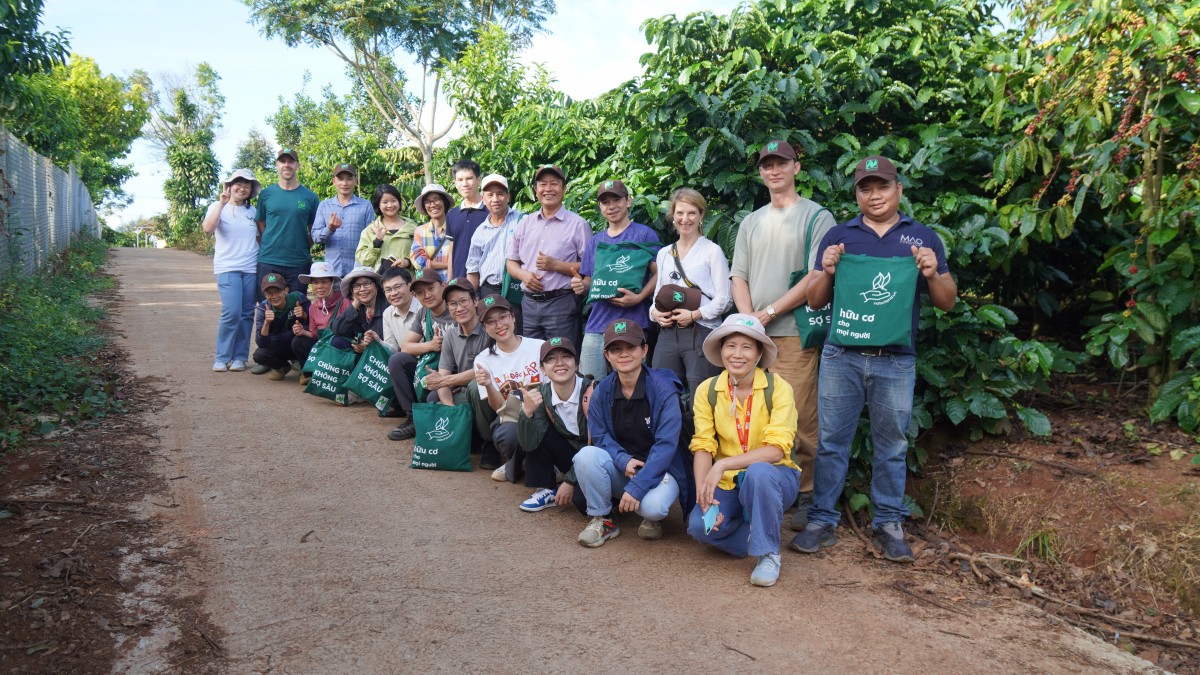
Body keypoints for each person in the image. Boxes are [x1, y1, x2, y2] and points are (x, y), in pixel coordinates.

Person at [790, 155, 957, 563]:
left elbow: (947, 303)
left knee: (893, 445)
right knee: (831, 442)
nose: (874, 194)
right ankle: (822, 521)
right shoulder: (840, 237)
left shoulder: (922, 238)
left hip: (896, 361)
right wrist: (825, 271)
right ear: (857, 194)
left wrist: (934, 273)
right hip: (841, 356)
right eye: (866, 188)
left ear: (898, 190)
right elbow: (814, 300)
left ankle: (888, 524)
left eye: (882, 186)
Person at [729, 139, 838, 529]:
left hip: (793, 332)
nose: (774, 170)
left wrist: (770, 312)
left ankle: (806, 494)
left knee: (800, 415)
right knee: (752, 413)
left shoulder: (816, 216)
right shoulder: (750, 221)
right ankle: (762, 488)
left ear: (796, 167)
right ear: (760, 172)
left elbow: (817, 274)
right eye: (767, 164)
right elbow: (737, 275)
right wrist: (748, 323)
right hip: (754, 337)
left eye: (781, 163)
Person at [686, 314, 802, 587]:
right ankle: (753, 531)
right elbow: (703, 445)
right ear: (721, 350)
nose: (737, 354)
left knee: (758, 473)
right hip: (728, 484)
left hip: (774, 477)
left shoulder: (778, 388)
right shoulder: (708, 390)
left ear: (759, 353)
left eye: (747, 347)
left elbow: (775, 451)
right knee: (700, 528)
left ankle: (768, 554)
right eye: (731, 346)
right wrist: (705, 494)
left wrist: (722, 464)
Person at [572, 320, 689, 547]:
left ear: (644, 350)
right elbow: (600, 437)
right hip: (624, 467)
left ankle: (650, 517)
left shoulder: (663, 389)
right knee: (586, 456)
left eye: (631, 347)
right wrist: (622, 459)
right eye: (616, 349)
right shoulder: (602, 390)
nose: (624, 354)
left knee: (653, 508)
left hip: (662, 469)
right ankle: (604, 519)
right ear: (606, 355)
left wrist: (638, 487)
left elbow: (666, 446)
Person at [572, 179, 660, 380]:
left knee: (633, 384)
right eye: (605, 202)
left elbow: (660, 273)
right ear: (600, 207)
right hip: (597, 325)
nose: (611, 206)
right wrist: (580, 285)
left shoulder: (643, 234)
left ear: (628, 201)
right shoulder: (595, 241)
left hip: (633, 324)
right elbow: (589, 282)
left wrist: (639, 298)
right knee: (589, 384)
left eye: (616, 200)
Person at [649, 188, 731, 394]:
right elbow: (656, 297)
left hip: (702, 332)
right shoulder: (664, 254)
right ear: (673, 216)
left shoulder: (712, 251)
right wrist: (655, 314)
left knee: (702, 395)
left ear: (701, 215)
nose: (685, 219)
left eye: (692, 213)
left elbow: (725, 299)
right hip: (668, 333)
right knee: (662, 391)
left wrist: (694, 314)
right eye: (680, 213)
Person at [506, 165, 592, 342]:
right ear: (536, 190)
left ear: (564, 189)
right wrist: (524, 275)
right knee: (532, 360)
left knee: (562, 358)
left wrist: (556, 265)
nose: (548, 189)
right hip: (528, 304)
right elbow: (511, 263)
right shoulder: (525, 223)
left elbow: (591, 267)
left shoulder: (578, 225)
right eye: (543, 184)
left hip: (561, 303)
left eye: (554, 183)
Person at [516, 337, 593, 513]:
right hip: (569, 454)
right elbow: (528, 444)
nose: (559, 363)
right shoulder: (541, 395)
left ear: (577, 363)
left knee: (583, 505)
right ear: (543, 369)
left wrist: (570, 481)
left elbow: (601, 442)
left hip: (594, 457)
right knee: (536, 426)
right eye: (551, 359)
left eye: (566, 356)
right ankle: (546, 487)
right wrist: (526, 413)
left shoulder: (594, 392)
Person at [472, 295, 544, 481]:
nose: (499, 325)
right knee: (509, 434)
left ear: (513, 317)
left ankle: (519, 464)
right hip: (512, 417)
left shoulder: (539, 347)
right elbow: (498, 409)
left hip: (545, 413)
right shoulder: (483, 359)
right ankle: (519, 461)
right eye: (491, 321)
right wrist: (488, 384)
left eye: (503, 317)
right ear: (485, 328)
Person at [203, 168, 261, 373]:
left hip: (251, 268)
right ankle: (222, 357)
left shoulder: (253, 212)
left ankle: (239, 358)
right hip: (227, 267)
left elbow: (260, 238)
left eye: (247, 185)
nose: (243, 188)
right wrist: (221, 202)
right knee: (232, 312)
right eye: (239, 183)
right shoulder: (217, 207)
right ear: (229, 185)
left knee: (246, 314)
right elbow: (208, 228)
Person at [386, 269, 452, 441]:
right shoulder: (424, 312)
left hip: (454, 372)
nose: (427, 295)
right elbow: (405, 346)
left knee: (432, 397)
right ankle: (412, 419)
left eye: (431, 289)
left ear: (443, 286)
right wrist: (431, 345)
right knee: (397, 360)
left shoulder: (455, 310)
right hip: (432, 366)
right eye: (420, 292)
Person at [255, 147, 319, 295]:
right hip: (269, 261)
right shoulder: (266, 194)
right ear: (277, 165)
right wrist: (273, 241)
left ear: (297, 165)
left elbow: (314, 230)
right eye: (282, 161)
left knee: (297, 309)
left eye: (291, 161)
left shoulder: (310, 197)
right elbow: (261, 223)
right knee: (268, 308)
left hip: (298, 263)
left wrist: (301, 244)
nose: (287, 165)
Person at [466, 174, 524, 327]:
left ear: (508, 197)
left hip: (516, 289)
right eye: (490, 195)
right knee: (494, 335)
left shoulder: (523, 221)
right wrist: (469, 298)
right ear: (483, 199)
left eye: (500, 194)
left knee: (519, 334)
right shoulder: (480, 231)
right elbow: (473, 270)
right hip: (489, 291)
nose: (495, 199)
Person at [291, 261, 351, 385]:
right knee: (298, 341)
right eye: (315, 282)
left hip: (340, 347)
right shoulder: (313, 307)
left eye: (324, 282)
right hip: (323, 344)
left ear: (332, 283)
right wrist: (303, 332)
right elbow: (314, 334)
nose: (319, 286)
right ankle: (308, 373)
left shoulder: (345, 302)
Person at [311, 163, 375, 277]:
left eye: (349, 179)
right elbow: (315, 237)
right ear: (333, 181)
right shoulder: (324, 206)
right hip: (331, 272)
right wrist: (329, 229)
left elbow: (371, 238)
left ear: (355, 181)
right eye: (340, 179)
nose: (344, 183)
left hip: (358, 270)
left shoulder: (365, 206)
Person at [252, 272, 310, 380]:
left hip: (298, 343)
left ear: (286, 290)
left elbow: (315, 326)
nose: (273, 296)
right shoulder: (263, 307)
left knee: (301, 339)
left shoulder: (298, 298)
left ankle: (305, 369)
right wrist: (267, 323)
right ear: (265, 295)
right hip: (279, 345)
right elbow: (261, 343)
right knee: (259, 355)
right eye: (269, 293)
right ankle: (282, 367)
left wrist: (304, 315)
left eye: (277, 291)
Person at [356, 184, 417, 273]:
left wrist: (408, 262)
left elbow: (422, 256)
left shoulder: (412, 227)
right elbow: (363, 260)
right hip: (379, 283)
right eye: (385, 202)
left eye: (393, 201)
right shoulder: (370, 230)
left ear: (399, 202)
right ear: (378, 205)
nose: (390, 205)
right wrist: (377, 241)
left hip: (406, 283)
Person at [329, 266, 389, 355]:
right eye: (356, 286)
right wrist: (355, 303)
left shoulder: (387, 306)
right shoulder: (358, 308)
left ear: (376, 286)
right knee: (337, 341)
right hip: (364, 357)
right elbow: (337, 329)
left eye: (367, 283)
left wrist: (368, 345)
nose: (362, 289)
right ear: (352, 291)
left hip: (385, 355)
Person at [446, 159, 488, 279]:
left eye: (469, 179)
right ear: (455, 183)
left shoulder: (490, 211)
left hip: (486, 282)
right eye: (460, 180)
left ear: (478, 180)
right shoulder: (452, 215)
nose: (464, 184)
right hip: (459, 281)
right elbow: (452, 249)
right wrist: (450, 279)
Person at [410, 184, 454, 282]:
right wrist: (449, 265)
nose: (432, 204)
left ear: (445, 202)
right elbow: (418, 262)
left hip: (452, 284)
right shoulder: (420, 231)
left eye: (436, 199)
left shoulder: (455, 227)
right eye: (428, 202)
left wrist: (431, 264)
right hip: (429, 285)